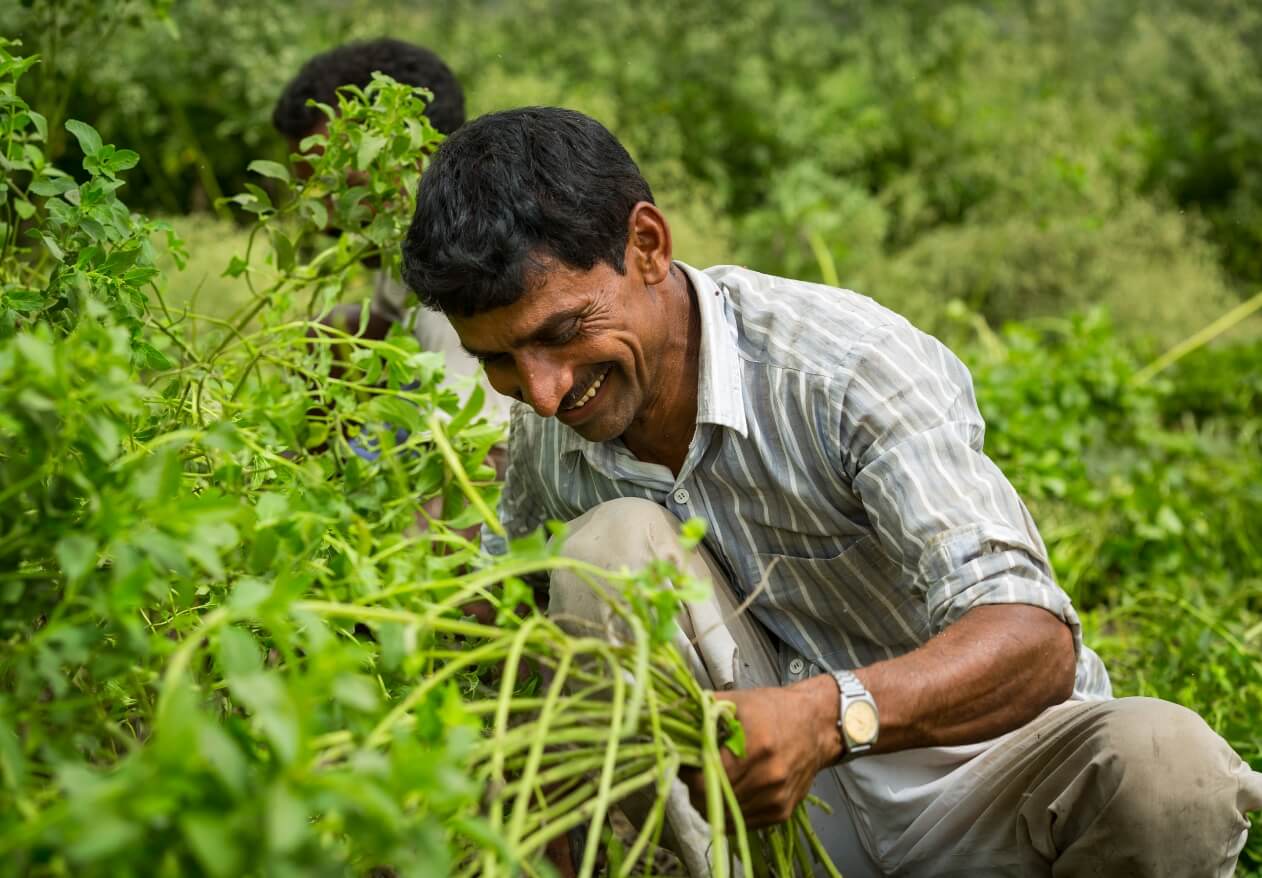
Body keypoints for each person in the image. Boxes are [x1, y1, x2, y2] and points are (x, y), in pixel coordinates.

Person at [401, 106, 1262, 877]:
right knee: (609, 548)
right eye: (502, 361)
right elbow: (503, 634)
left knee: (1169, 767)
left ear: (649, 247)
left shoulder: (840, 367)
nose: (544, 392)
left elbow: (1033, 638)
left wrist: (829, 716)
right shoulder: (552, 426)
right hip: (752, 826)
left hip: (975, 780)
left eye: (564, 332)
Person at [272, 38, 512, 440]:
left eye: (341, 187)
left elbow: (487, 462)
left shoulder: (455, 289)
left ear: (410, 154)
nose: (326, 219)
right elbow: (386, 320)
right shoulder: (403, 243)